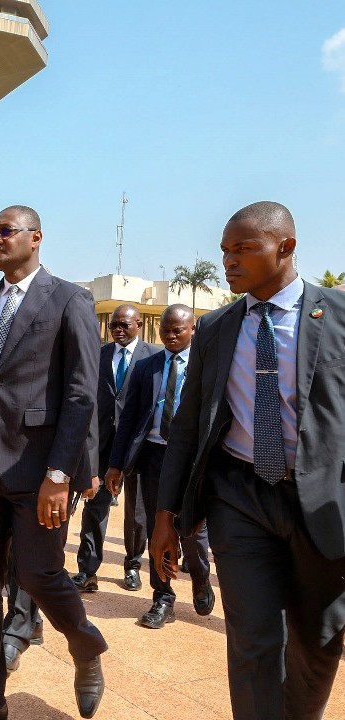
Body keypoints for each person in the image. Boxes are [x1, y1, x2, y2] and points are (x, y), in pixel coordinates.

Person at [153, 202, 345, 719]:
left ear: (285, 248)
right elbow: (188, 426)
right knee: (253, 640)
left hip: (322, 504)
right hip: (239, 498)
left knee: (320, 642)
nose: (229, 261)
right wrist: (167, 514)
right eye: (224, 251)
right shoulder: (216, 328)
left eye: (243, 249)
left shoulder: (339, 316)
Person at [0, 206, 107, 720]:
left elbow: (81, 394)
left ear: (36, 238)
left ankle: (85, 645)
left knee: (39, 575)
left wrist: (61, 474)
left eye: (6, 232)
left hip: (40, 470)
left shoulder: (70, 299)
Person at [107, 304, 213, 630]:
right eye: (164, 330)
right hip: (154, 457)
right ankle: (163, 598)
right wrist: (115, 464)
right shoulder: (146, 367)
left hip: (193, 460)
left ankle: (199, 575)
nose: (169, 335)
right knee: (159, 528)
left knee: (194, 531)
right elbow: (127, 420)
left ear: (192, 330)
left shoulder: (207, 366)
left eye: (177, 330)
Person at [71, 304, 158, 593]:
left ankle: (132, 565)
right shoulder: (98, 356)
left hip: (137, 448)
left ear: (139, 325)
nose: (119, 330)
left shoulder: (154, 358)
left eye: (125, 325)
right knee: (95, 507)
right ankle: (88, 570)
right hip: (103, 446)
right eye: (114, 326)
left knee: (137, 513)